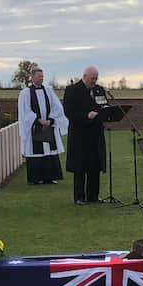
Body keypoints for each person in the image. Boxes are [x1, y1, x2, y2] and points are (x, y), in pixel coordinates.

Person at [63, 66, 108, 205]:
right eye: (92, 78)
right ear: (84, 76)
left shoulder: (99, 90)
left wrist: (107, 112)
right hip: (80, 134)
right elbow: (69, 112)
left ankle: (93, 195)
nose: (94, 81)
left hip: (96, 134)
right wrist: (86, 116)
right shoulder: (72, 90)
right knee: (80, 167)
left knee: (95, 165)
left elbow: (104, 106)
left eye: (96, 78)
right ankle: (79, 197)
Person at [18, 67, 68, 185]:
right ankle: (35, 178)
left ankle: (49, 177)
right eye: (38, 76)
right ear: (32, 77)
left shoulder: (48, 91)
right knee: (36, 151)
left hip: (48, 126)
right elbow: (24, 111)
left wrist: (50, 120)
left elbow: (57, 107)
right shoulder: (25, 93)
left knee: (49, 151)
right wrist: (37, 120)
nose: (41, 78)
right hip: (35, 127)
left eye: (42, 76)